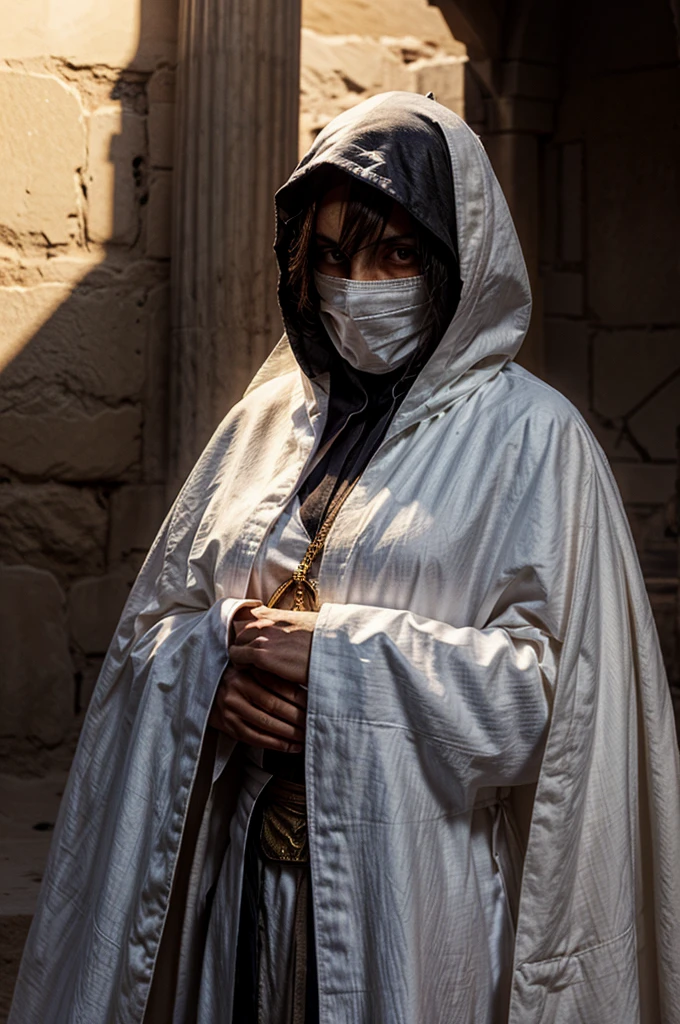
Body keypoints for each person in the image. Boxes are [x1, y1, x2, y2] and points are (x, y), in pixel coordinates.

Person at [9, 92, 680, 1024]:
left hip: (413, 897)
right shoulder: (264, 424)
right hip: (238, 889)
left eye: (395, 254)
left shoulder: (536, 442)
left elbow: (558, 709)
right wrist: (210, 671)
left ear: (454, 262)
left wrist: (343, 661)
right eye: (331, 255)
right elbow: (152, 633)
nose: (357, 283)